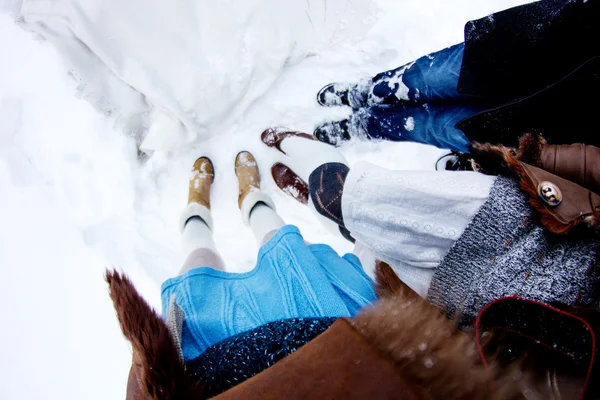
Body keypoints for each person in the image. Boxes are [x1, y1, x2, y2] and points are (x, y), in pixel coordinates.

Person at [261, 129, 600, 327]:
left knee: (366, 250)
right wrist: (549, 162)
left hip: (469, 310)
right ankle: (310, 152)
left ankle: (329, 214)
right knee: (346, 198)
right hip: (517, 228)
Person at [112, 150, 377, 397]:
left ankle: (197, 211)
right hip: (328, 335)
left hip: (204, 370)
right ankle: (252, 198)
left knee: (199, 265)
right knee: (281, 243)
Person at [314, 0, 600, 162]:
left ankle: (367, 125)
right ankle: (366, 92)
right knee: (427, 76)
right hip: (545, 47)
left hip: (555, 131)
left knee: (439, 127)